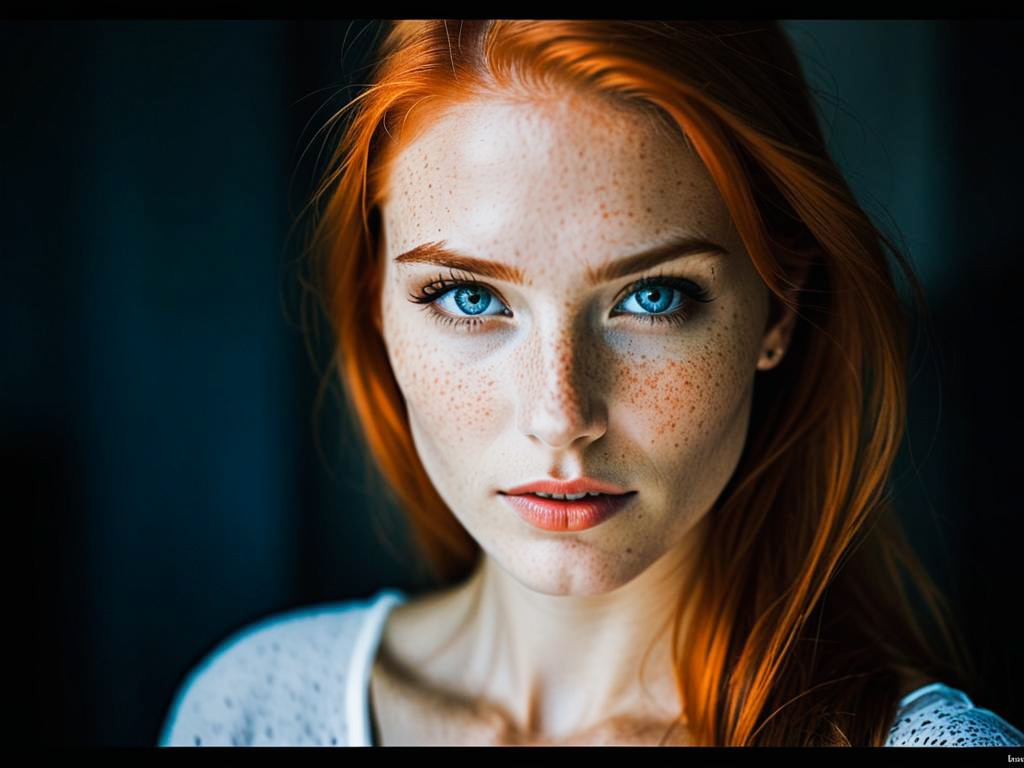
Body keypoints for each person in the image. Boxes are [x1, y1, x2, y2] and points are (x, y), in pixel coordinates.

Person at [158, 20, 1024, 747]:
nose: (560, 417)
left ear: (777, 313)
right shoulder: (253, 712)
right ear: (377, 304)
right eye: (468, 297)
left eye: (653, 297)